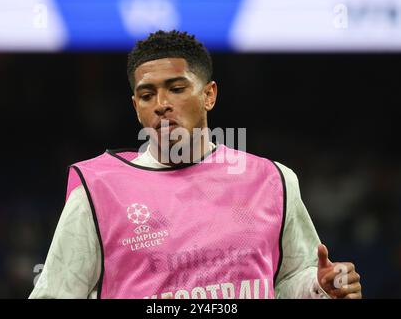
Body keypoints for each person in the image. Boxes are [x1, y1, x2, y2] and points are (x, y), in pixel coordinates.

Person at [29, 30, 361, 299]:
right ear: (136, 107)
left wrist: (319, 288)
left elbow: (290, 278)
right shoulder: (98, 192)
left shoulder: (273, 180)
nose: (161, 105)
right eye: (147, 95)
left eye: (176, 89)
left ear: (209, 95)